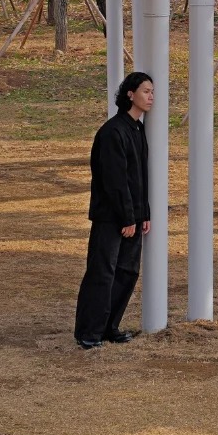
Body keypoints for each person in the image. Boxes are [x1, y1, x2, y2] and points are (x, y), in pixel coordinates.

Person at [73, 71, 153, 349]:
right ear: (130, 94)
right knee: (102, 272)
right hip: (112, 217)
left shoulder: (137, 129)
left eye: (151, 91)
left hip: (132, 216)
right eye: (146, 91)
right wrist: (127, 217)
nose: (151, 97)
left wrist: (144, 214)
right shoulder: (113, 132)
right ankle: (88, 332)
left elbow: (139, 178)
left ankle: (109, 327)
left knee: (127, 272)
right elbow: (115, 180)